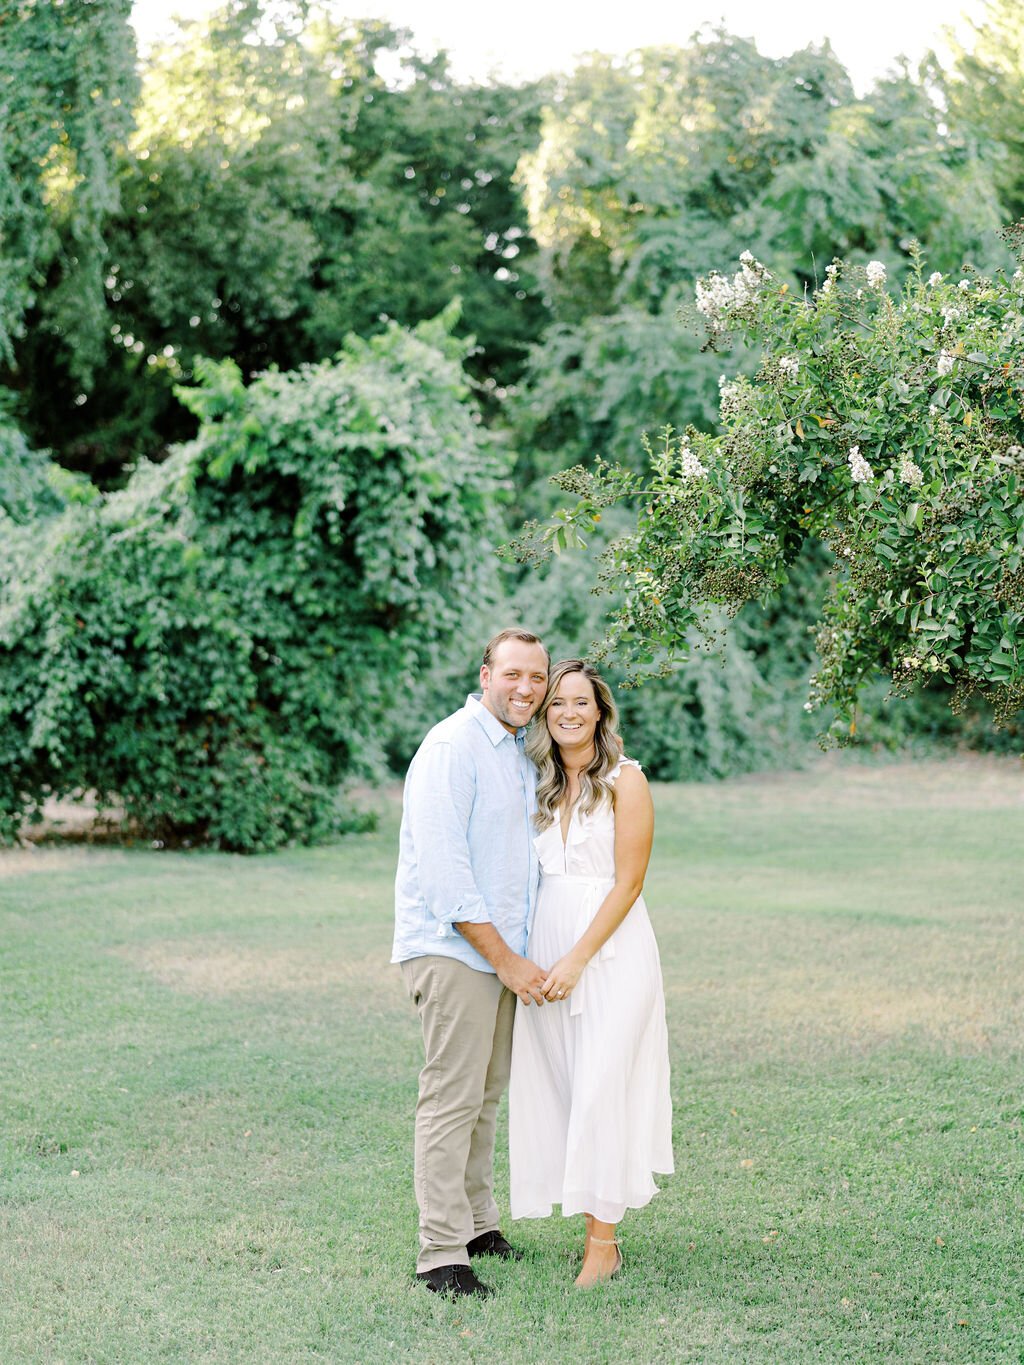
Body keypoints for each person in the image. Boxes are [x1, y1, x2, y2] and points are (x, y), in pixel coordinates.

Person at [392, 628, 551, 1299]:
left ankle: (480, 1223)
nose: (526, 688)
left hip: (497, 955)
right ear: (485, 673)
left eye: (536, 677)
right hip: (454, 949)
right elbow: (447, 876)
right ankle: (440, 1254)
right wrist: (506, 959)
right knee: (451, 1099)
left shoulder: (517, 751)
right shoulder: (453, 745)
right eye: (512, 674)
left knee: (484, 1096)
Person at [508, 658, 674, 1287]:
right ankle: (588, 1221)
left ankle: (602, 1245)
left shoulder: (625, 781)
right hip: (546, 949)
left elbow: (629, 882)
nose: (568, 714)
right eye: (556, 704)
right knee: (567, 1084)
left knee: (605, 1082)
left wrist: (578, 957)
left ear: (600, 712)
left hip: (610, 952)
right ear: (544, 717)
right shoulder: (540, 783)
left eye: (581, 703)